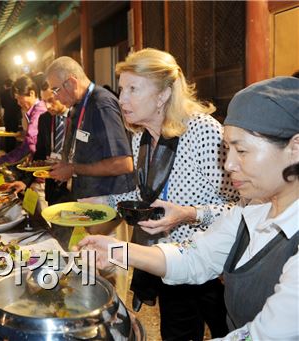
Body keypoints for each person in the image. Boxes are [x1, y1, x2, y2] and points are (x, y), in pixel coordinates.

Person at [79, 76, 299, 341]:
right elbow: (195, 256)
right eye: (227, 150)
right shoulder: (252, 210)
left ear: (294, 148)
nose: (228, 165)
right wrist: (117, 251)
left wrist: (189, 213)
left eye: (242, 151)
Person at [82, 48, 240, 340]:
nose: (122, 99)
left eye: (133, 89)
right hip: (168, 264)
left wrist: (190, 214)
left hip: (214, 267)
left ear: (163, 94)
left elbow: (241, 208)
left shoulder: (203, 132)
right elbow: (140, 194)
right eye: (121, 89)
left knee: (228, 331)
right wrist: (98, 206)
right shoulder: (141, 137)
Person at [45, 56, 134, 200]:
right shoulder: (77, 105)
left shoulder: (101, 105)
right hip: (87, 197)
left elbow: (123, 164)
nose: (55, 97)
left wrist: (73, 168)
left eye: (56, 90)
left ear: (72, 83)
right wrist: (65, 164)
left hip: (108, 200)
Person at [0, 75, 47, 175]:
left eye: (19, 98)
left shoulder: (39, 111)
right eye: (16, 100)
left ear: (32, 93)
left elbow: (29, 144)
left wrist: (1, 161)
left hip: (43, 168)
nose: (19, 103)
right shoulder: (33, 111)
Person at [35, 81, 72, 206]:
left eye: (51, 100)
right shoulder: (44, 119)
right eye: (44, 101)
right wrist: (27, 181)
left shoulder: (78, 117)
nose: (47, 106)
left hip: (74, 188)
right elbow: (40, 151)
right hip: (52, 187)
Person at [0, 78, 21, 152]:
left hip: (7, 115)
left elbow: (2, 105)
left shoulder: (3, 93)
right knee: (14, 135)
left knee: (7, 134)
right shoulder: (14, 92)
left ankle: (8, 151)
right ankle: (13, 151)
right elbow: (18, 105)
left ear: (5, 85)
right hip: (15, 115)